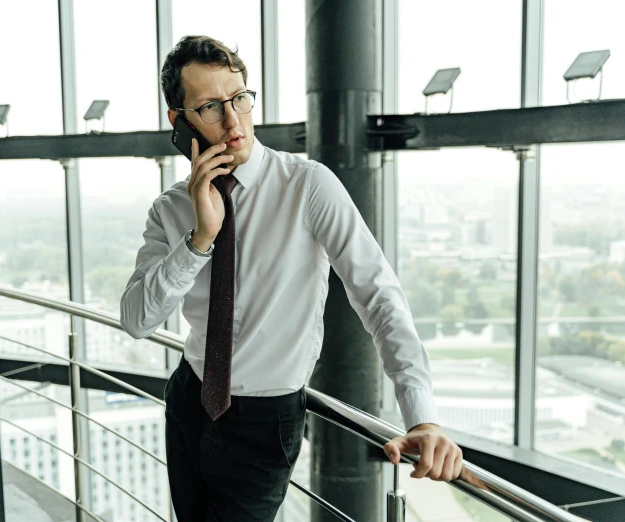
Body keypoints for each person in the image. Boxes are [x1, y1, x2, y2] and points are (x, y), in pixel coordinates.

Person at [121, 35, 463, 522]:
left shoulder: (308, 186)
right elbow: (136, 320)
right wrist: (200, 238)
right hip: (188, 397)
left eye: (239, 98)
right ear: (179, 122)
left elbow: (378, 293)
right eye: (211, 107)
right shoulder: (172, 209)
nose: (234, 120)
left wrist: (421, 416)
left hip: (265, 418)